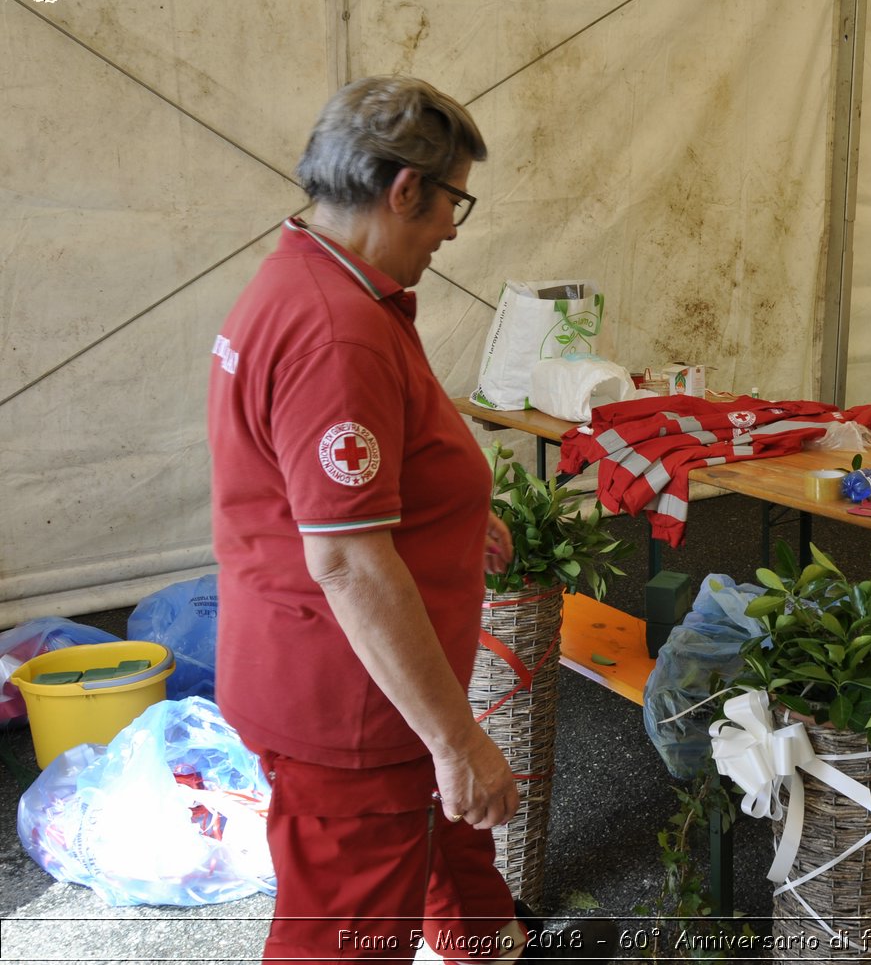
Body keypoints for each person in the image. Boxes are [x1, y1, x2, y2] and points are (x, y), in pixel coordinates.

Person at [207, 76, 612, 962]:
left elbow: (330, 484)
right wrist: (457, 738)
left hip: (353, 675)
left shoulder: (312, 277)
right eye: (452, 202)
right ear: (404, 191)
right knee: (348, 931)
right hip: (350, 702)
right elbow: (348, 562)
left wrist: (454, 512)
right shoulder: (336, 330)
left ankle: (490, 941)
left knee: (445, 827)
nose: (454, 229)